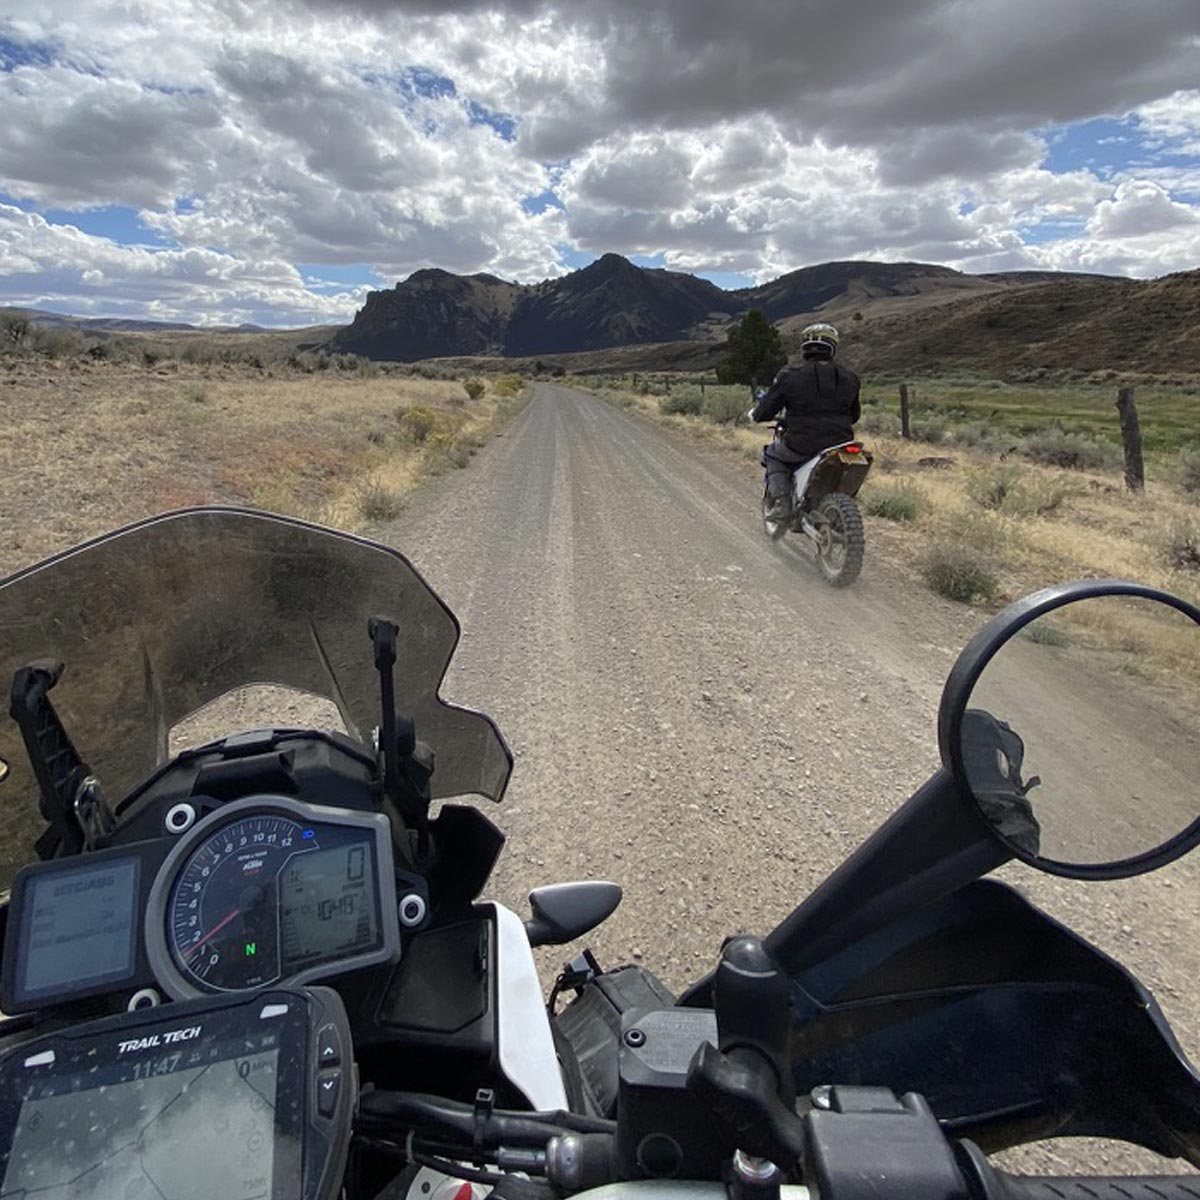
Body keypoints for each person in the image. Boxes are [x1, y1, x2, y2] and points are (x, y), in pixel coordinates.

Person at [748, 323, 861, 521]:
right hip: (841, 442)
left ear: (805, 347)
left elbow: (766, 410)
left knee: (772, 454)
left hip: (801, 442)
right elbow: (854, 415)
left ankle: (782, 503)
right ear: (832, 347)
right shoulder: (851, 379)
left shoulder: (789, 377)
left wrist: (755, 415)